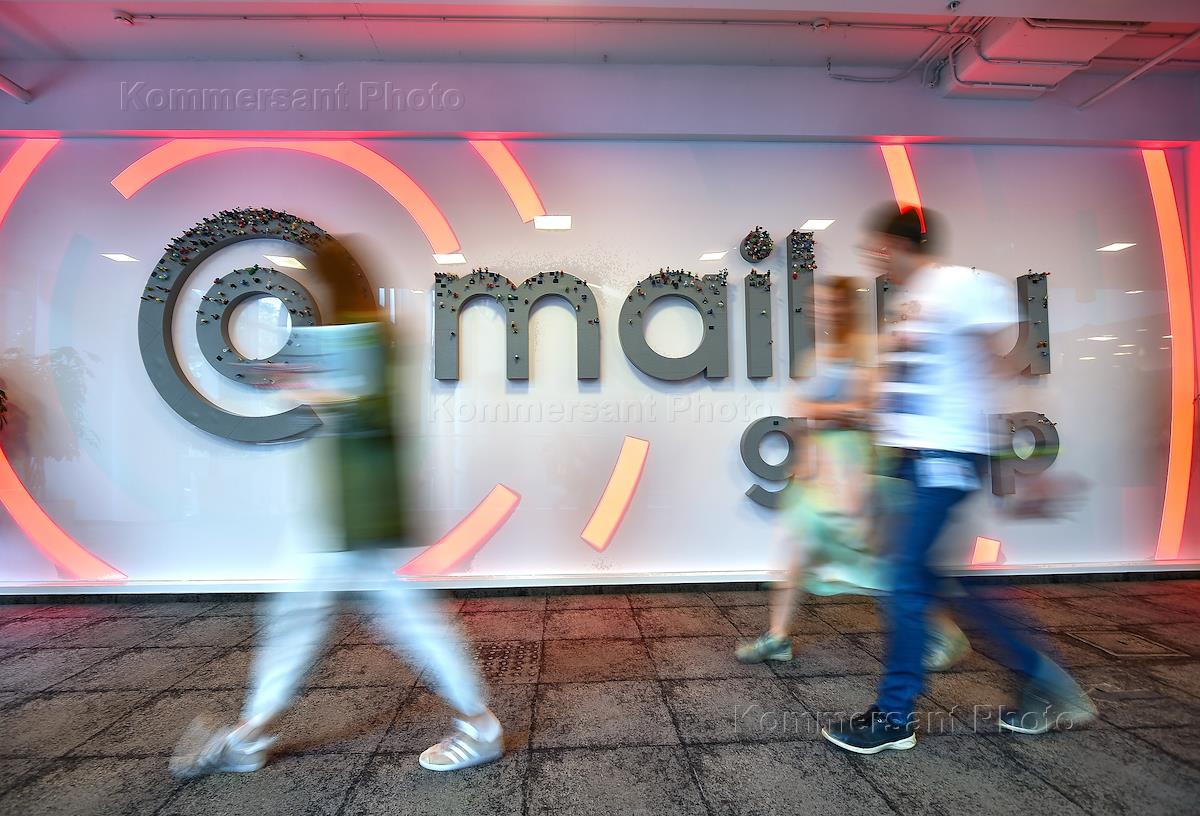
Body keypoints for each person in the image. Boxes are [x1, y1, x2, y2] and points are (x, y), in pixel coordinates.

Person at [170, 241, 502, 777]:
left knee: (383, 619)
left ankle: (479, 725)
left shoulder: (370, 337)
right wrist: (308, 384)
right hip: (340, 513)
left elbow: (370, 415)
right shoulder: (361, 336)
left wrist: (306, 386)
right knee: (327, 617)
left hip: (354, 516)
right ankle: (250, 733)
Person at [820, 206, 1095, 755]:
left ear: (898, 244)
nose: (872, 258)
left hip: (944, 460)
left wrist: (1029, 460)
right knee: (941, 583)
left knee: (905, 583)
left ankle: (895, 716)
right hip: (912, 462)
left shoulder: (959, 287)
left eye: (876, 246)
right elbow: (903, 390)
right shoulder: (906, 305)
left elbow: (996, 368)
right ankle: (1046, 683)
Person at [735, 276, 970, 671]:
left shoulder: (863, 349)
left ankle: (943, 631)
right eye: (816, 304)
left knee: (875, 561)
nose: (820, 311)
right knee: (794, 547)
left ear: (845, 306)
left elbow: (866, 408)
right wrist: (812, 437)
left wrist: (821, 411)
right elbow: (804, 413)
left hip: (850, 471)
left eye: (829, 303)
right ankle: (778, 636)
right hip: (820, 472)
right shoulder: (819, 355)